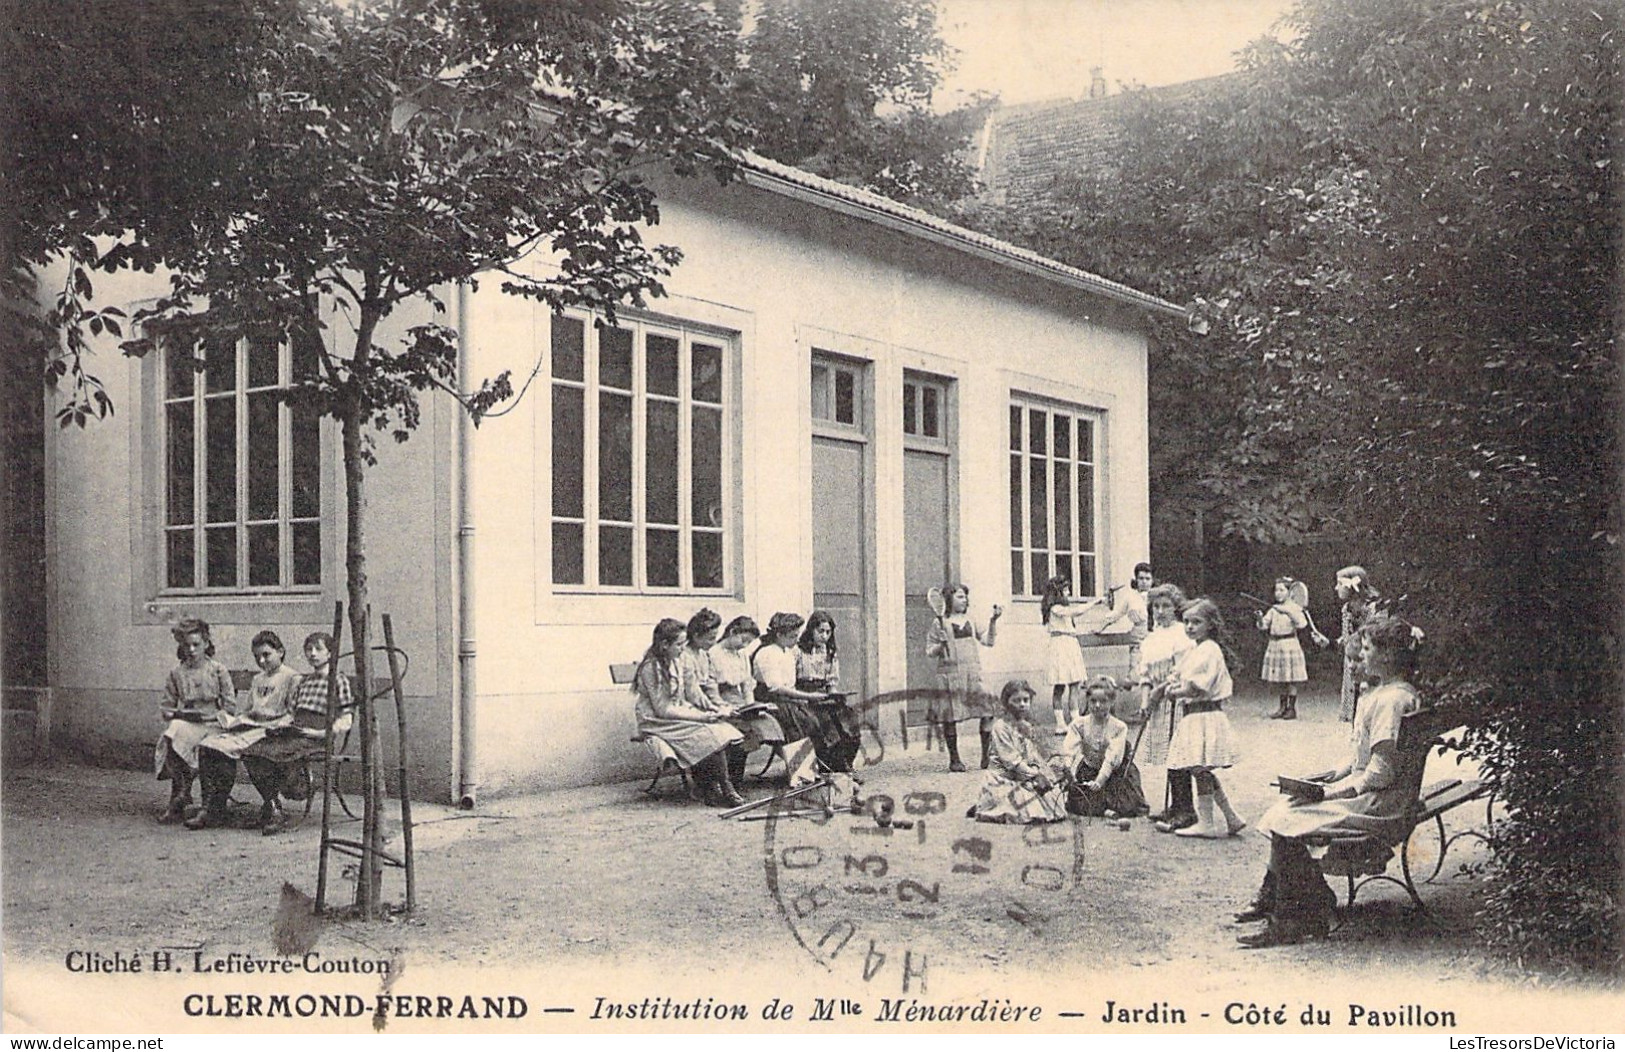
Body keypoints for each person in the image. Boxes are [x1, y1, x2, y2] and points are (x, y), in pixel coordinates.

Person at [1236, 616, 1426, 947]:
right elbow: (1362, 760)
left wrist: (1331, 793)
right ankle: (1284, 897)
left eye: (1366, 649)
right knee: (1290, 805)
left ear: (1386, 656)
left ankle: (1293, 918)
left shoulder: (1390, 701)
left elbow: (1380, 773)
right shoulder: (1393, 693)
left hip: (1382, 804)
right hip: (1382, 794)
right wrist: (1328, 778)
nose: (1361, 656)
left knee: (1289, 818)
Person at [240, 631, 354, 836]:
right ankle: (273, 805)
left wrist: (324, 733)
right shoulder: (304, 681)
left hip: (317, 737)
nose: (312, 654)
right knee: (251, 751)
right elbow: (291, 713)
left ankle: (291, 794)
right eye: (308, 649)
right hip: (295, 733)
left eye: (318, 649)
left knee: (274, 755)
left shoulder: (338, 680)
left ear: (330, 653)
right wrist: (280, 726)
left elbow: (346, 718)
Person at [1150, 597, 1246, 838]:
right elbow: (1179, 674)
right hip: (1197, 715)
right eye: (1187, 622)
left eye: (1197, 622)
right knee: (1200, 769)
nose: (1190, 627)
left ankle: (1208, 823)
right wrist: (1168, 685)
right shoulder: (1197, 649)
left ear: (1210, 624)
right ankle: (1231, 817)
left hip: (1203, 714)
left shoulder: (1209, 650)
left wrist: (1175, 692)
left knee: (1199, 768)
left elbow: (1197, 687)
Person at [188, 630, 299, 830]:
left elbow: (293, 713)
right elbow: (248, 710)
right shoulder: (257, 679)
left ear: (280, 652)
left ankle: (273, 807)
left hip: (272, 731)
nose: (262, 661)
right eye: (257, 657)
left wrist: (275, 724)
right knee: (209, 746)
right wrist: (235, 720)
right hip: (250, 727)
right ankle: (213, 807)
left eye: (267, 655)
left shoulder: (291, 678)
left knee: (252, 751)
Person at [633, 618, 745, 808]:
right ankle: (723, 787)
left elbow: (693, 692)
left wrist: (714, 709)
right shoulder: (651, 667)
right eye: (678, 644)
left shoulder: (680, 659)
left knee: (724, 729)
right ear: (664, 645)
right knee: (708, 732)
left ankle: (715, 786)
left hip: (678, 712)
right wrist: (701, 717)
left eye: (684, 644)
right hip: (657, 720)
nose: (682, 648)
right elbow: (663, 709)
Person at [154, 618, 237, 824]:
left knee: (203, 743)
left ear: (206, 643)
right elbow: (166, 707)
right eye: (186, 645)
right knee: (172, 732)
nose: (191, 650)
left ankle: (208, 805)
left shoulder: (217, 670)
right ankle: (181, 793)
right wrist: (180, 714)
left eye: (196, 645)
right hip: (189, 723)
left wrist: (213, 716)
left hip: (214, 725)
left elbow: (230, 707)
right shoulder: (177, 673)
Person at [706, 614, 795, 782]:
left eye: (749, 643)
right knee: (741, 730)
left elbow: (747, 685)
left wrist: (751, 706)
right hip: (719, 702)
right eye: (743, 640)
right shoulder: (713, 654)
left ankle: (798, 768)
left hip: (740, 703)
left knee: (768, 723)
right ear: (732, 632)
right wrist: (725, 707)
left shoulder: (742, 655)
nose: (745, 646)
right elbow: (710, 689)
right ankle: (729, 778)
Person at [924, 583, 1002, 772]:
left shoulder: (972, 619)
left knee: (987, 711)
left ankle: (986, 756)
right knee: (949, 717)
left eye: (965, 596)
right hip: (950, 674)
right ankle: (955, 759)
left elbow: (988, 641)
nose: (964, 599)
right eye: (960, 596)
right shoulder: (939, 623)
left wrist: (993, 621)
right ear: (949, 599)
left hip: (973, 673)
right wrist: (941, 645)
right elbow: (930, 652)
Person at [967, 680, 1069, 824]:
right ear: (1006, 703)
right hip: (1005, 776)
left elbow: (1031, 754)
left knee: (1049, 794)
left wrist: (1043, 770)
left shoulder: (1027, 726)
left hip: (1022, 773)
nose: (1022, 704)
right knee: (1023, 806)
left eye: (1025, 700)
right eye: (1016, 700)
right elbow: (1011, 761)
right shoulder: (1000, 727)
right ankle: (991, 805)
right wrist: (1034, 775)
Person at [1138, 584, 1196, 830]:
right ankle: (1173, 806)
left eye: (1165, 607)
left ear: (1175, 609)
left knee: (1179, 755)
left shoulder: (1182, 635)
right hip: (1158, 703)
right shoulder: (1151, 638)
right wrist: (1145, 701)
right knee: (1166, 755)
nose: (1160, 612)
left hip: (1176, 700)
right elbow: (1145, 674)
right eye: (1156, 607)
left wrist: (1157, 693)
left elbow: (1180, 672)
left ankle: (1186, 809)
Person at [1062, 676, 1149, 818]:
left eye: (1103, 701)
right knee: (1078, 798)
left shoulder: (1119, 727)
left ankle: (1106, 807)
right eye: (1093, 701)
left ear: (1112, 701)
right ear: (1087, 701)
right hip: (1089, 769)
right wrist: (1066, 767)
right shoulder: (1079, 725)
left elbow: (1112, 758)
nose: (1097, 705)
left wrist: (1100, 780)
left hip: (1115, 771)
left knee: (1127, 803)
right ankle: (1104, 810)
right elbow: (1069, 748)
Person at [1328, 565, 1381, 722]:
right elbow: (1347, 638)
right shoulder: (1346, 609)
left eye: (1339, 584)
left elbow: (1370, 637)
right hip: (1352, 663)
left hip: (1368, 658)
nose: (1336, 588)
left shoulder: (1372, 608)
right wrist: (1330, 642)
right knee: (1355, 703)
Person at [1041, 575, 1093, 734]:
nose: (1068, 592)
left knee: (1074, 684)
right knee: (1061, 686)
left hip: (1069, 644)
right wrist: (1094, 602)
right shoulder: (1056, 609)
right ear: (1058, 592)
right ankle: (1062, 724)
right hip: (1061, 646)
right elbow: (1077, 611)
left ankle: (1075, 721)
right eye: (1065, 589)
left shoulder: (1061, 610)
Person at [1258, 577, 1310, 720]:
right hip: (1275, 644)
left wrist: (1288, 612)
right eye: (1276, 590)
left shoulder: (1294, 608)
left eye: (1282, 590)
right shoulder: (1273, 610)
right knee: (1281, 678)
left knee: (1291, 678)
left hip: (1289, 644)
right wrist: (1260, 618)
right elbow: (1264, 626)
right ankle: (1282, 707)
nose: (1278, 593)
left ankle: (1291, 709)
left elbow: (1302, 624)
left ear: (1289, 592)